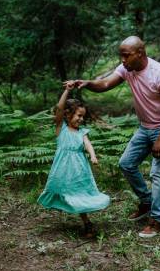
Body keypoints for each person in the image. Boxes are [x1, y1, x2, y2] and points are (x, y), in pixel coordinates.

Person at [70, 36, 160, 238]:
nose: (122, 60)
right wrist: (86, 83)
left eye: (126, 55)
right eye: (120, 55)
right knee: (126, 163)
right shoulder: (127, 69)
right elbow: (104, 84)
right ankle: (147, 202)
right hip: (145, 127)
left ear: (140, 53)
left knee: (157, 173)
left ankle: (157, 220)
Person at [37, 82, 110, 238]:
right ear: (68, 114)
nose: (81, 119)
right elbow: (59, 108)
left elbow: (87, 143)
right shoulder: (60, 128)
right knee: (63, 192)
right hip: (62, 170)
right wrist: (66, 91)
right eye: (79, 115)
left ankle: (87, 223)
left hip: (79, 170)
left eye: (83, 116)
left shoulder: (81, 132)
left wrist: (93, 155)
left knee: (79, 193)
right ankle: (74, 214)